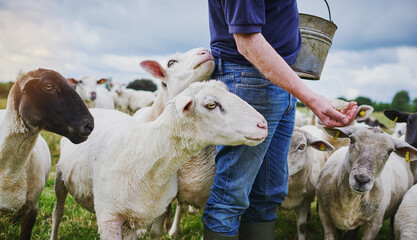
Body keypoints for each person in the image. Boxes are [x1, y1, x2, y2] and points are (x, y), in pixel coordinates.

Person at [202, 1, 358, 239]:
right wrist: (312, 100)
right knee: (231, 195)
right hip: (249, 80)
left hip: (279, 80)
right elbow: (247, 40)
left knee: (268, 193)